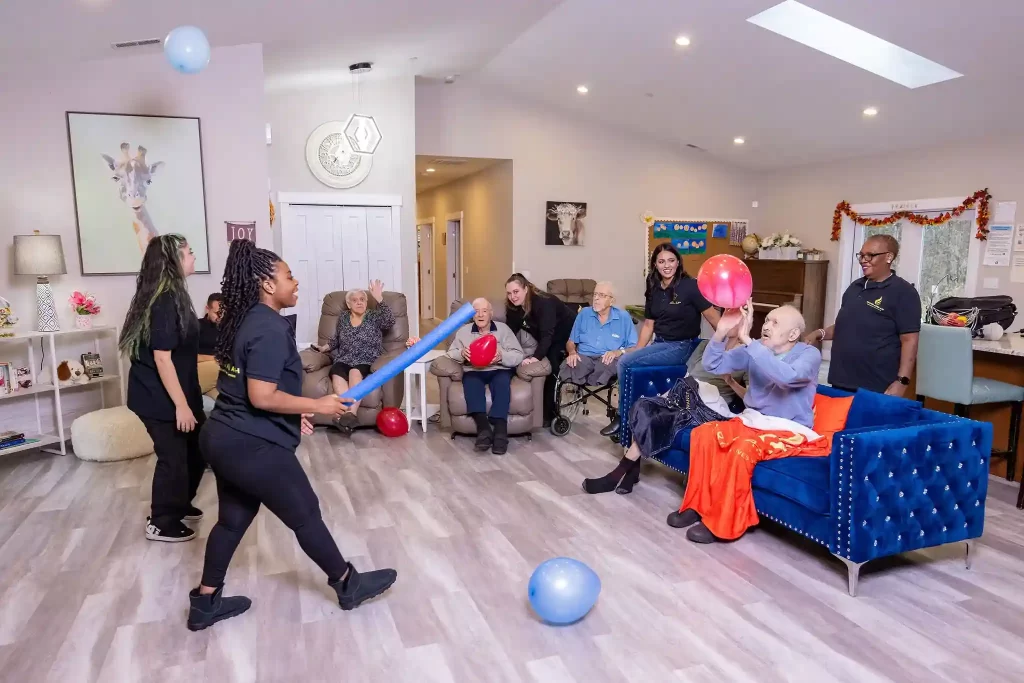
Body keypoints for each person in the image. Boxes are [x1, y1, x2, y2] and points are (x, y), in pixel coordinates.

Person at [188, 240, 397, 632]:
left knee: (232, 521)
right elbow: (261, 395)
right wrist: (320, 405)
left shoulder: (244, 318)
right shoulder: (269, 327)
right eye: (288, 276)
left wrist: (296, 410)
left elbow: (245, 388)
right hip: (251, 444)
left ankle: (205, 601)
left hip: (223, 437)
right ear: (267, 284)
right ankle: (347, 584)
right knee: (305, 514)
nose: (295, 281)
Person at [667, 301, 825, 544]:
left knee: (742, 449)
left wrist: (750, 342)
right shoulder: (758, 348)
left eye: (775, 322)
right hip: (754, 421)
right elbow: (714, 364)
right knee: (704, 434)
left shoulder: (808, 354)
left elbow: (787, 378)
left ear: (793, 334)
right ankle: (698, 505)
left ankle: (723, 522)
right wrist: (720, 332)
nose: (766, 325)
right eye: (767, 320)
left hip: (790, 429)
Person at [581, 326, 745, 495]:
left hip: (710, 405)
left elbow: (750, 397)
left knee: (662, 416)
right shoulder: (708, 345)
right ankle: (629, 473)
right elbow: (688, 373)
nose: (729, 322)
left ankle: (616, 477)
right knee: (643, 406)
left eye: (735, 318)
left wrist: (731, 382)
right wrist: (670, 395)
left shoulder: (747, 354)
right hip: (687, 391)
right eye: (727, 315)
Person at [119, 234, 205, 543]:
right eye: (190, 252)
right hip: (158, 398)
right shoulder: (165, 299)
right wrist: (181, 406)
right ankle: (161, 521)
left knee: (198, 450)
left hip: (178, 392)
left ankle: (179, 503)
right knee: (174, 459)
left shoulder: (175, 294)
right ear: (175, 261)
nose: (194, 257)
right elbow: (162, 357)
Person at [601, 244, 722, 437]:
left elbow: (714, 319)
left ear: (678, 262)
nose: (667, 265)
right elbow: (649, 325)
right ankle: (635, 420)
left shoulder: (690, 286)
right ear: (655, 265)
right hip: (660, 343)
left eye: (671, 260)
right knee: (628, 361)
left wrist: (726, 346)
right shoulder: (654, 288)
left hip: (683, 346)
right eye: (661, 261)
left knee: (624, 361)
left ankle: (621, 417)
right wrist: (638, 349)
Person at [805, 234, 920, 396]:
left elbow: (910, 340)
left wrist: (902, 381)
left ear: (889, 257)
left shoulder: (904, 292)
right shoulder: (855, 287)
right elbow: (846, 325)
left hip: (876, 385)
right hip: (841, 379)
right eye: (861, 255)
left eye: (870, 255)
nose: (863, 260)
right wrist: (820, 333)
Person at [415, 298, 524, 454]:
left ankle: (500, 430)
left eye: (484, 311)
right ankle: (483, 429)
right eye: (476, 311)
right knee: (471, 383)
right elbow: (451, 352)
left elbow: (518, 354)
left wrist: (502, 356)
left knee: (502, 383)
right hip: (474, 370)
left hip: (499, 368)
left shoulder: (503, 329)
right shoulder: (464, 331)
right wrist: (461, 353)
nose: (480, 315)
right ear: (472, 315)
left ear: (491, 314)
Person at [311, 281, 395, 432]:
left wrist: (379, 298)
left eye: (362, 300)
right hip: (344, 358)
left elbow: (389, 321)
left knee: (354, 372)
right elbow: (336, 340)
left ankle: (350, 413)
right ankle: (347, 418)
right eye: (355, 300)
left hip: (366, 357)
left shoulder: (373, 316)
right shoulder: (343, 317)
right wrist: (323, 348)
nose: (359, 302)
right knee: (337, 373)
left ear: (366, 302)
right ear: (348, 305)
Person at [505, 274, 577, 426]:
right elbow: (509, 332)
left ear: (526, 288)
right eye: (509, 293)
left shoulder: (544, 302)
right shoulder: (513, 306)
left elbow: (547, 335)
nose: (512, 296)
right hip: (546, 335)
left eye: (516, 292)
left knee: (551, 365)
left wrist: (536, 357)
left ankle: (549, 414)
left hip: (565, 333)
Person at [560, 281, 638, 386]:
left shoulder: (623, 317)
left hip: (607, 359)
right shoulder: (584, 314)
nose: (596, 298)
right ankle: (576, 388)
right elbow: (571, 342)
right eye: (595, 294)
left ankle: (592, 385)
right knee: (570, 364)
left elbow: (634, 347)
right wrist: (572, 352)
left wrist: (618, 352)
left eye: (602, 295)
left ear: (611, 301)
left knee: (614, 364)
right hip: (584, 357)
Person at [197, 292, 222, 359]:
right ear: (207, 309)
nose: (221, 317)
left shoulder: (229, 329)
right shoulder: (196, 326)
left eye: (223, 313)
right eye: (217, 313)